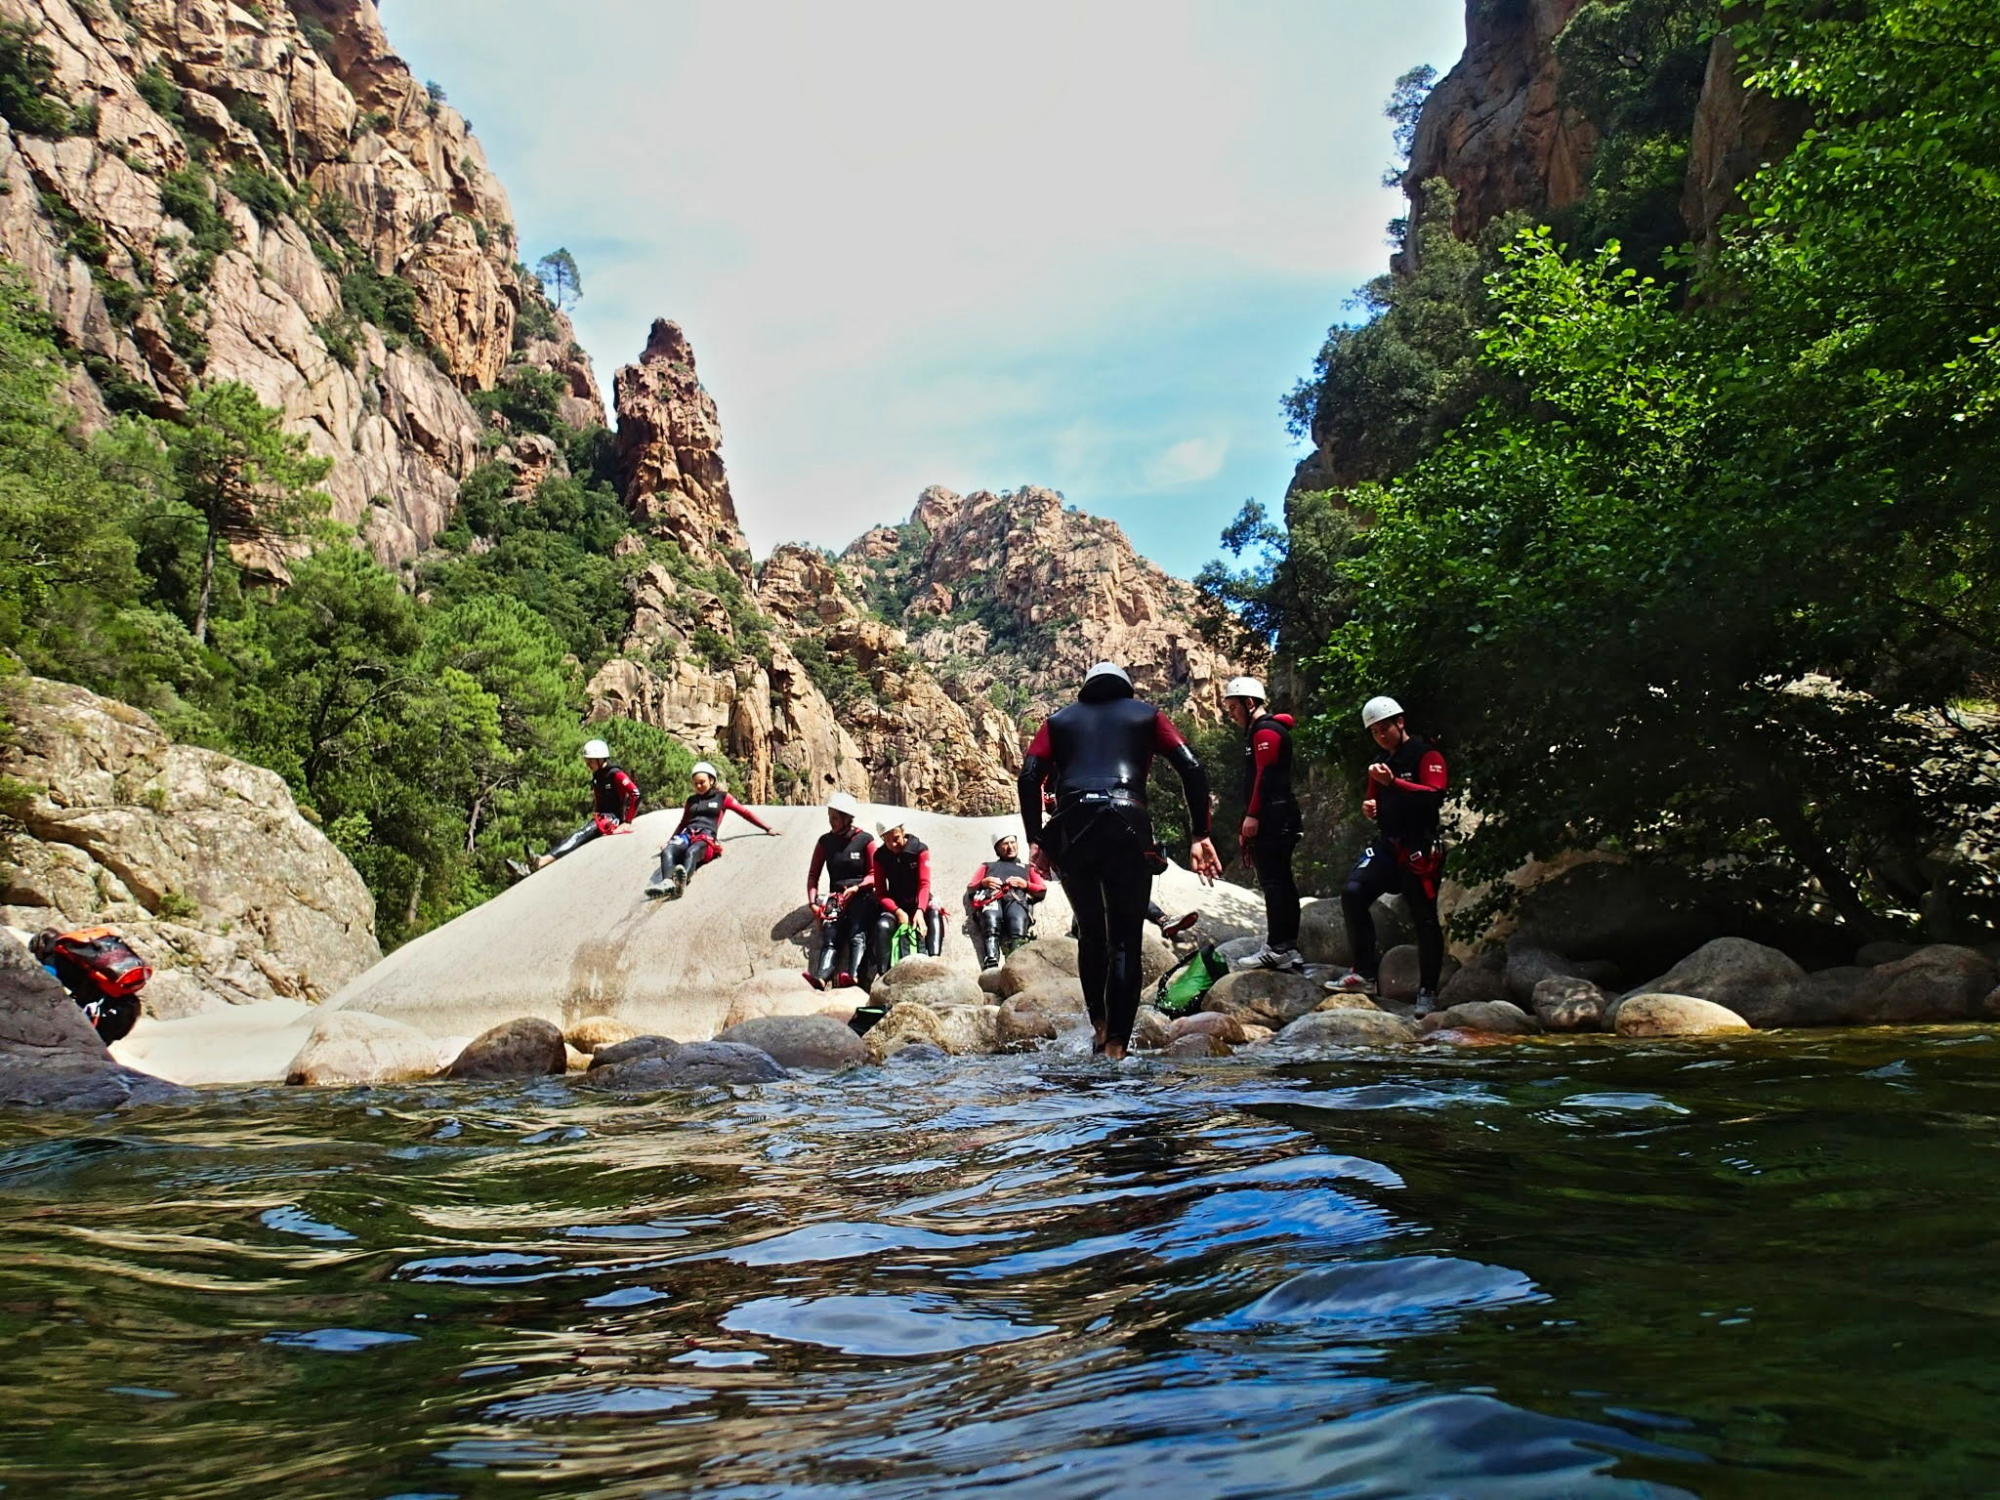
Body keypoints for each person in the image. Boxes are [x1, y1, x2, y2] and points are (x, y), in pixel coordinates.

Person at [1019, 661, 1221, 1060]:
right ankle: (1117, 1047)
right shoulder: (1147, 715)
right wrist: (1200, 833)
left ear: (1087, 688)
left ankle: (1098, 1029)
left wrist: (1036, 839)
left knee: (1092, 933)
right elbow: (1191, 767)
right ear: (1126, 688)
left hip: (1072, 824)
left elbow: (1028, 776)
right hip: (1127, 820)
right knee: (1125, 940)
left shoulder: (1057, 721)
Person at [1327, 695, 1449, 1012]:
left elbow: (1434, 794)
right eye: (1375, 732)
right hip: (1389, 845)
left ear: (1400, 722)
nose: (1381, 736)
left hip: (1419, 847)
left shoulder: (1426, 754)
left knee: (1424, 918)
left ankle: (1427, 991)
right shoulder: (1383, 764)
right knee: (1353, 893)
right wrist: (1371, 807)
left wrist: (1394, 783)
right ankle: (1365, 971)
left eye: (1385, 729)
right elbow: (1374, 802)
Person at [1226, 675, 1304, 970]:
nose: (1231, 714)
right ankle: (1286, 945)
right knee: (1280, 879)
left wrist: (1252, 815)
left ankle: (1278, 946)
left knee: (1275, 881)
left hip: (1274, 817)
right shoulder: (1261, 731)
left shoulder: (1265, 731)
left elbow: (1265, 775)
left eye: (1234, 707)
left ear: (1249, 703)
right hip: (1277, 816)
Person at [508, 739, 639, 877]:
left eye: (590, 761)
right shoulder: (597, 777)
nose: (587, 764)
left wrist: (627, 821)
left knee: (579, 835)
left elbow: (635, 794)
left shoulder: (615, 774)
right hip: (601, 819)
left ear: (600, 759)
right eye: (587, 760)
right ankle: (529, 868)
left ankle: (540, 862)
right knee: (573, 837)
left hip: (611, 821)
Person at [646, 761, 777, 898]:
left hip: (706, 838)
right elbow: (683, 823)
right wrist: (669, 841)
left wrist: (767, 828)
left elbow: (745, 813)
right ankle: (667, 883)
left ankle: (681, 884)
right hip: (687, 835)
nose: (698, 786)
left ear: (712, 780)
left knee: (692, 852)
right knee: (668, 851)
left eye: (702, 782)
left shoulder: (723, 797)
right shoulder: (691, 800)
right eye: (695, 783)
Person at [804, 792, 878, 990]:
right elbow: (813, 874)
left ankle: (853, 975)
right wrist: (813, 903)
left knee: (857, 932)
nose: (832, 822)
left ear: (847, 818)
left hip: (861, 893)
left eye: (835, 818)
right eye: (830, 817)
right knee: (831, 935)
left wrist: (858, 887)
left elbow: (874, 874)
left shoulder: (865, 839)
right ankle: (821, 976)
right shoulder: (825, 842)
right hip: (837, 896)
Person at [30, 926, 150, 1044]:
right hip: (117, 1005)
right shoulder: (78, 952)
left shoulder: (53, 959)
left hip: (96, 1014)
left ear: (40, 948)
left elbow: (43, 984)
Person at [863, 817, 945, 968]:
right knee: (883, 926)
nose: (892, 845)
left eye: (896, 838)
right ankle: (884, 972)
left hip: (918, 901)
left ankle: (935, 961)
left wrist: (920, 910)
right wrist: (898, 911)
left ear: (903, 831)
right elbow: (881, 892)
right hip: (896, 904)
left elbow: (924, 884)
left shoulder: (919, 849)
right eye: (887, 841)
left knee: (934, 913)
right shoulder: (880, 856)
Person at [966, 832, 1046, 969]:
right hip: (992, 897)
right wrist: (984, 882)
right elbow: (971, 887)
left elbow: (1041, 889)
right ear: (997, 849)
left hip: (1016, 899)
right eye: (1005, 844)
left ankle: (1016, 963)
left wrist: (1025, 884)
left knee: (1018, 919)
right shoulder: (987, 866)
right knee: (991, 919)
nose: (1010, 847)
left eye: (1013, 842)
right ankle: (991, 961)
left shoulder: (1028, 868)